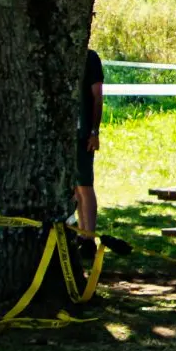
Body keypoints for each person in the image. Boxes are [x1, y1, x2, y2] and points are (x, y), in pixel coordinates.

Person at [77, 47, 104, 243]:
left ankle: (89, 236)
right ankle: (81, 232)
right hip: (63, 134)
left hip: (83, 132)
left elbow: (97, 97)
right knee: (73, 187)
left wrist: (94, 131)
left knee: (85, 184)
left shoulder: (90, 58)